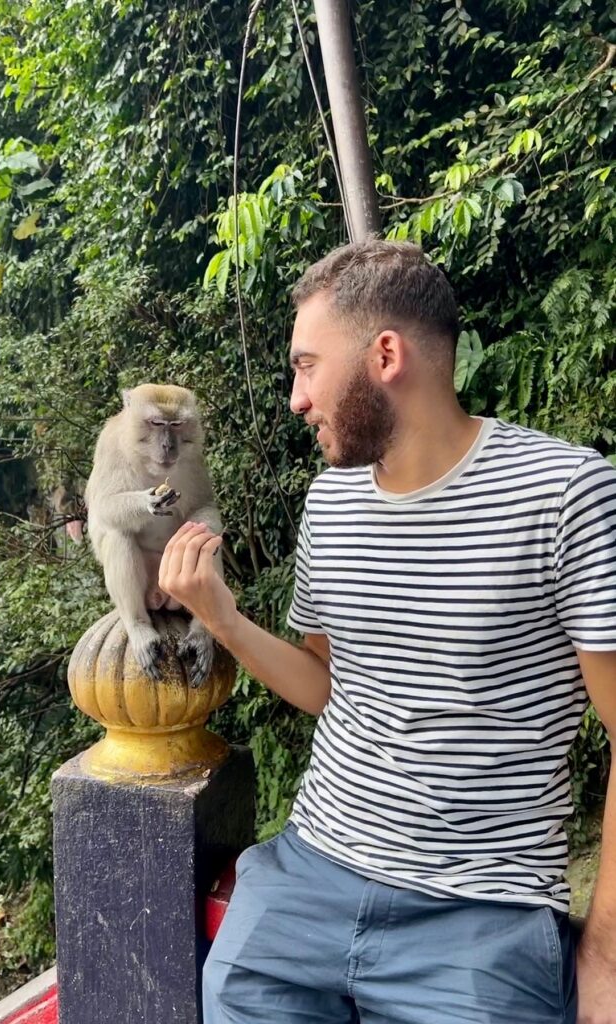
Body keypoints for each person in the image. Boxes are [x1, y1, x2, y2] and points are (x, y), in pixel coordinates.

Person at [158, 240, 616, 1024]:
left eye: (307, 365)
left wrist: (605, 961)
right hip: (309, 877)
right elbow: (323, 686)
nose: (297, 398)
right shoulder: (330, 504)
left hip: (479, 914)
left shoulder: (565, 494)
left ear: (386, 354)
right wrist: (223, 619)